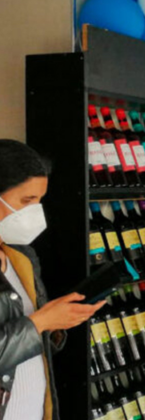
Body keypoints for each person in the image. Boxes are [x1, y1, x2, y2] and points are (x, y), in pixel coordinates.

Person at [0, 140, 106, 420]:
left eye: (39, 201)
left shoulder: (21, 257)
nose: (36, 211)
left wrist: (57, 322)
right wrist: (41, 322)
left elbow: (32, 343)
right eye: (26, 201)